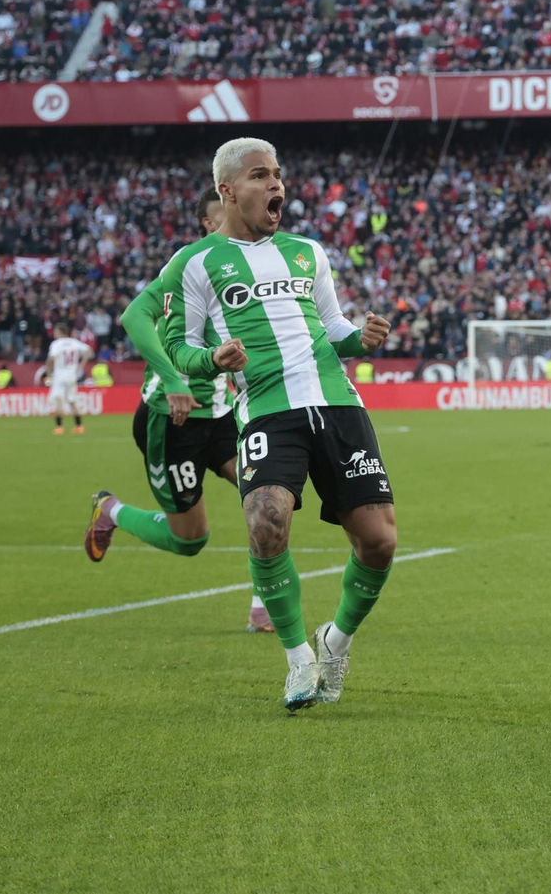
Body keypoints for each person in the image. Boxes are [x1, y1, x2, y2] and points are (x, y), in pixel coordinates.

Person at [163, 138, 396, 712]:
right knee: (266, 522)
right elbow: (177, 346)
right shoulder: (193, 265)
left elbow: (332, 324)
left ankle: (333, 643)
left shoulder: (307, 252)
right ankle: (298, 659)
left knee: (379, 542)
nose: (276, 186)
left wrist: (357, 339)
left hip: (339, 404)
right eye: (260, 176)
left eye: (278, 175)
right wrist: (211, 361)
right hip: (267, 408)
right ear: (226, 191)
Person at [84, 188, 273, 634]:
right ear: (211, 222)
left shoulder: (258, 265)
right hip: (171, 420)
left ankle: (263, 608)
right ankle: (109, 510)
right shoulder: (186, 265)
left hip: (224, 417)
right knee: (191, 540)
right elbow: (134, 317)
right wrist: (172, 381)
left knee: (269, 501)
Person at [40, 324, 92, 434]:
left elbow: (51, 359)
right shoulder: (74, 342)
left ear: (60, 332)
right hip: (72, 376)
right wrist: (81, 365)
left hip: (60, 375)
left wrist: (49, 373)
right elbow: (89, 350)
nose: (54, 333)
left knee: (59, 399)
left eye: (55, 331)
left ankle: (59, 427)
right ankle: (79, 426)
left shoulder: (56, 344)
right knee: (72, 400)